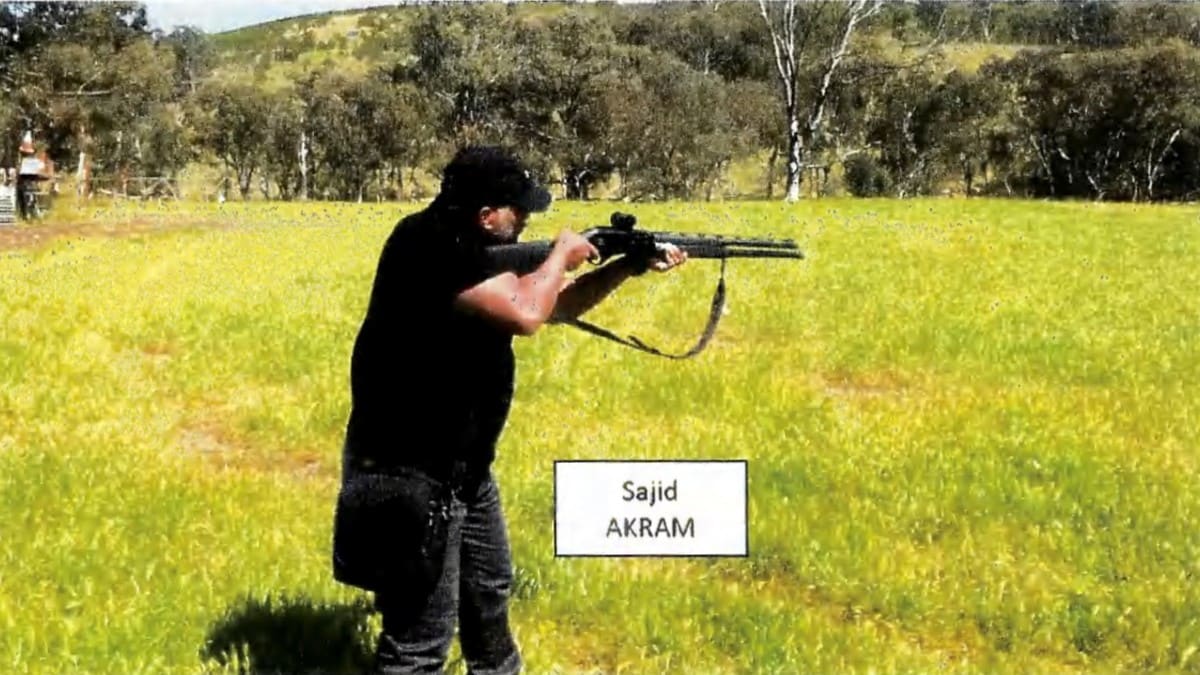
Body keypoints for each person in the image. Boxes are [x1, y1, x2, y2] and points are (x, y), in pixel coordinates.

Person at [331, 144, 686, 675]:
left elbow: (556, 303)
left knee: (489, 597)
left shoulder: (476, 247)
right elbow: (526, 315)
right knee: (420, 641)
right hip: (411, 474)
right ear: (485, 214)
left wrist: (624, 268)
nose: (524, 221)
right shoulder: (430, 248)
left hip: (465, 469)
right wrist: (560, 255)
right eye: (517, 211)